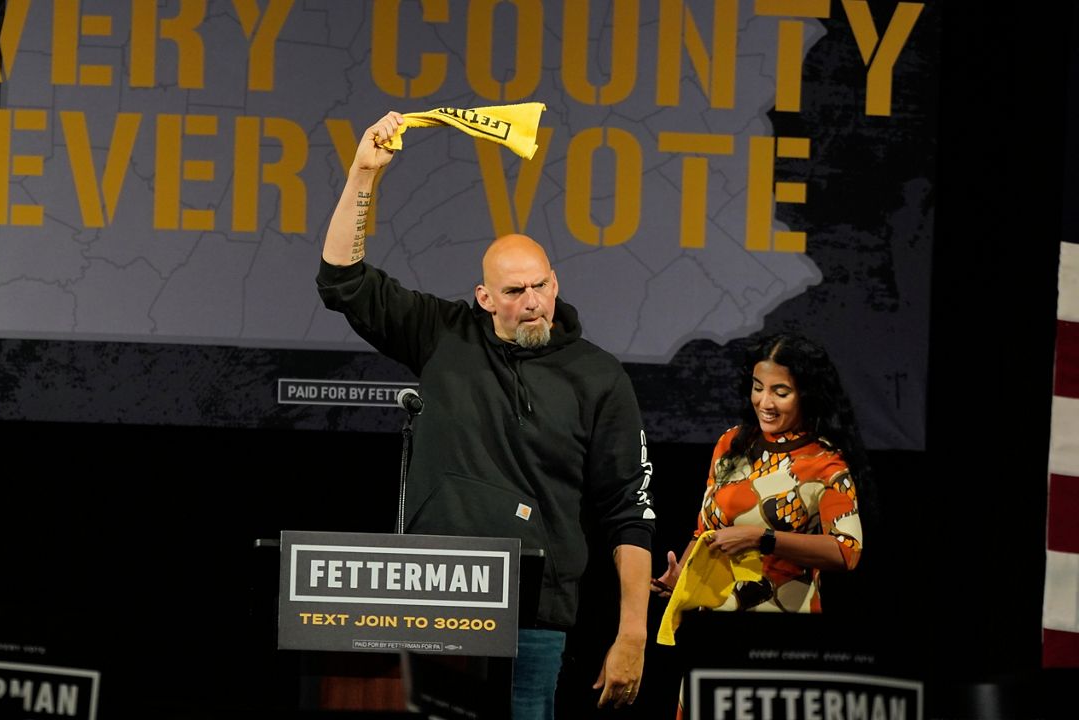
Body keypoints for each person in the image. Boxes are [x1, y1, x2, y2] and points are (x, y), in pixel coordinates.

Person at [317, 111, 655, 718]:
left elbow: (629, 512)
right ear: (484, 298)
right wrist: (363, 175)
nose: (532, 303)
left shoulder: (598, 376)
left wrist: (632, 635)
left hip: (536, 613)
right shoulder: (443, 336)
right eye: (514, 292)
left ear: (555, 282)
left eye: (541, 286)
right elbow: (342, 280)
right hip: (434, 598)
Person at [654, 331, 867, 613]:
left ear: (806, 395)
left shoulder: (825, 462)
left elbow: (846, 551)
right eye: (758, 388)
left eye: (780, 392)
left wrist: (761, 538)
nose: (765, 403)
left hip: (781, 630)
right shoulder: (731, 443)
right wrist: (680, 578)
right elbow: (706, 533)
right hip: (711, 621)